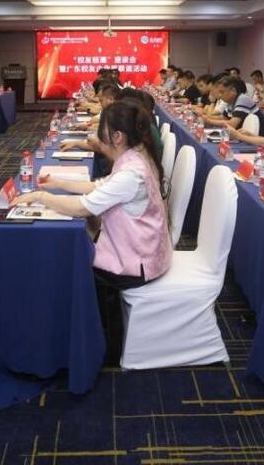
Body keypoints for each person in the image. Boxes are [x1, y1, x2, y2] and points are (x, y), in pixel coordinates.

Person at [11, 99, 171, 358]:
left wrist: (40, 197)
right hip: (144, 250)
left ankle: (100, 346)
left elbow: (81, 208)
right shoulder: (133, 157)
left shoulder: (131, 173)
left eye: (101, 132)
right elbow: (99, 186)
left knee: (74, 266)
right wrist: (57, 183)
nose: (97, 138)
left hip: (138, 262)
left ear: (117, 137)